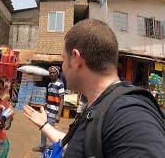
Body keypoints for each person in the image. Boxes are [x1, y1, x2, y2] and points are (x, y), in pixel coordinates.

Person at [24, 19, 165, 157]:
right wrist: (44, 125)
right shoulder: (100, 105)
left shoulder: (129, 115)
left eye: (63, 59)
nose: (62, 67)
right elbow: (79, 145)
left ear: (76, 59)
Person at [32, 66, 65, 152]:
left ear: (57, 73)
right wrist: (45, 106)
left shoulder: (60, 84)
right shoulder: (49, 84)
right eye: (50, 72)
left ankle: (51, 147)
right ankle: (43, 145)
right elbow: (50, 97)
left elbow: (62, 100)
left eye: (53, 72)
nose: (51, 74)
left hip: (54, 112)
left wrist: (58, 114)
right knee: (43, 128)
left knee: (49, 129)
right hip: (48, 110)